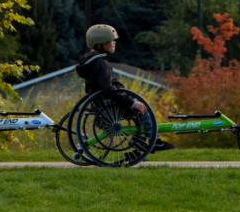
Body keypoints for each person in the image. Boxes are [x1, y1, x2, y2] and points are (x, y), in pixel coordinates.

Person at [75, 24, 175, 154]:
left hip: (100, 105)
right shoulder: (101, 64)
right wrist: (132, 102)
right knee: (143, 109)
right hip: (109, 107)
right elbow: (109, 90)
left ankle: (139, 145)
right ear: (99, 45)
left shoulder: (90, 60)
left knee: (139, 109)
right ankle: (154, 141)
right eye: (110, 40)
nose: (114, 42)